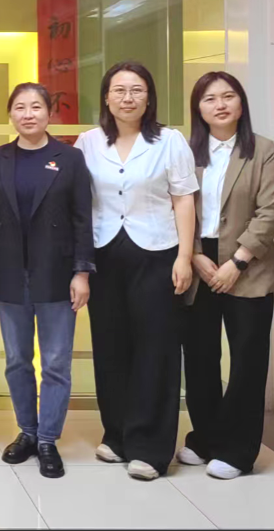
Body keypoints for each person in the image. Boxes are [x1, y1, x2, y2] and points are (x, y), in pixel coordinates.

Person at [75, 61, 197, 481]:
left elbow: (183, 198)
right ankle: (118, 435)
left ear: (149, 97)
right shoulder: (88, 142)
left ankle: (151, 447)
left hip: (157, 252)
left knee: (156, 348)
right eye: (119, 90)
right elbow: (80, 201)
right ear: (106, 98)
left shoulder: (170, 140)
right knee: (111, 346)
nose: (128, 98)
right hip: (104, 253)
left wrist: (184, 256)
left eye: (137, 90)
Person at [0, 83, 94, 479]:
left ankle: (47, 439)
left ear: (48, 113)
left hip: (57, 273)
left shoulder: (70, 158)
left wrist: (82, 271)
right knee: (17, 360)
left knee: (56, 362)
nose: (28, 114)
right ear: (11, 114)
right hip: (9, 272)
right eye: (20, 108)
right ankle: (26, 432)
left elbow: (82, 217)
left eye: (36, 107)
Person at [177, 72, 274, 480]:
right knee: (200, 358)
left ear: (241, 103)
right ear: (198, 108)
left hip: (248, 266)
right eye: (209, 98)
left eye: (228, 96)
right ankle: (206, 438)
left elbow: (270, 212)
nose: (220, 105)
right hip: (198, 263)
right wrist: (196, 257)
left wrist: (236, 262)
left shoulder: (264, 150)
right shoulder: (185, 151)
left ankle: (238, 450)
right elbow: (175, 205)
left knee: (247, 360)